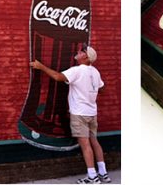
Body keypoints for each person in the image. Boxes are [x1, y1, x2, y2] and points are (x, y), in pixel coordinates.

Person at [31, 46, 110, 184]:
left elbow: (57, 76)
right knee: (94, 142)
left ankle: (92, 176)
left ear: (86, 57)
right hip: (92, 112)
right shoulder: (95, 72)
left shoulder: (77, 71)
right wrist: (89, 93)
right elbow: (102, 89)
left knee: (85, 145)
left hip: (79, 113)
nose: (78, 52)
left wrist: (40, 66)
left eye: (81, 52)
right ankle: (103, 173)